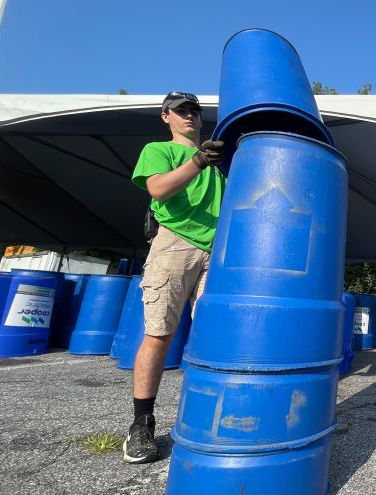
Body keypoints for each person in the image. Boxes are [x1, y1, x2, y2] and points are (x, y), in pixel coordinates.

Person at [122, 92, 226, 463]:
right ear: (165, 116)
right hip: (175, 244)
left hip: (218, 254)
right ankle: (141, 424)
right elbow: (158, 189)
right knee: (159, 334)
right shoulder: (160, 150)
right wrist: (198, 160)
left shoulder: (217, 167)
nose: (191, 117)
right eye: (182, 111)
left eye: (195, 111)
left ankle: (205, 416)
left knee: (213, 334)